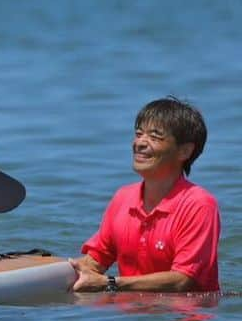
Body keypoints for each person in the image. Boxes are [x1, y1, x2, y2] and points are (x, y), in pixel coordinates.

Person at [70, 97, 220, 293]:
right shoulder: (123, 198)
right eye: (138, 134)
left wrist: (111, 283)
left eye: (155, 137)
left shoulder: (199, 204)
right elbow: (96, 260)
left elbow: (184, 280)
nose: (140, 142)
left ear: (184, 151)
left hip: (184, 318)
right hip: (131, 318)